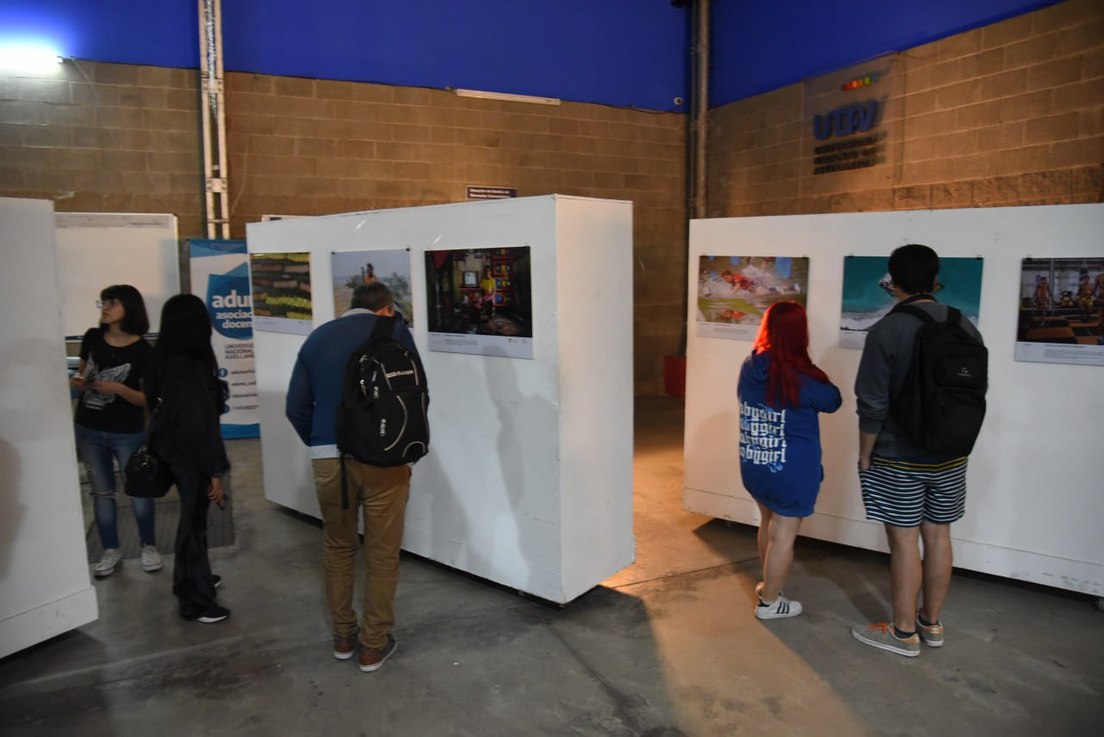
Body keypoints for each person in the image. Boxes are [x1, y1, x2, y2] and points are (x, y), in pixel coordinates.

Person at [852, 244, 984, 657]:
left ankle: (903, 632)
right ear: (935, 279)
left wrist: (866, 452)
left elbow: (871, 402)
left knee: (905, 541)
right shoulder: (964, 324)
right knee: (939, 534)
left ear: (893, 281)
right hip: (952, 453)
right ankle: (931, 624)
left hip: (899, 455)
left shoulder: (887, 330)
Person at [285, 282, 419, 672]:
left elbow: (296, 407)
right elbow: (414, 396)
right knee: (382, 555)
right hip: (385, 460)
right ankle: (373, 646)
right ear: (386, 308)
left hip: (330, 460)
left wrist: (322, 444)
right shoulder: (394, 332)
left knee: (339, 547)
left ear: (351, 306)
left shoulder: (317, 339)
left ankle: (344, 636)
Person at [738, 302, 841, 620]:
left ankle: (769, 586)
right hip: (792, 470)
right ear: (800, 333)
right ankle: (770, 602)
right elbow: (833, 400)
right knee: (783, 533)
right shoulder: (802, 377)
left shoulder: (750, 365)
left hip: (755, 461)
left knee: (768, 522)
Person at [144, 294, 231, 623]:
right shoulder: (192, 367)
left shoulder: (160, 357)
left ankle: (191, 581)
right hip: (190, 454)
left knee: (190, 522)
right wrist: (215, 472)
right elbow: (201, 424)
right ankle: (196, 601)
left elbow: (154, 404)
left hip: (169, 448)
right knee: (194, 525)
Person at [71, 284, 160, 578]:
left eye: (112, 302)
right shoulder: (92, 337)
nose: (105, 307)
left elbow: (146, 399)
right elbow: (81, 373)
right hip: (89, 427)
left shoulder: (143, 351)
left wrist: (120, 389)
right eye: (104, 302)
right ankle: (110, 549)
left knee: (138, 490)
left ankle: (148, 545)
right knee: (101, 492)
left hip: (127, 431)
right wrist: (79, 381)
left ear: (129, 308)